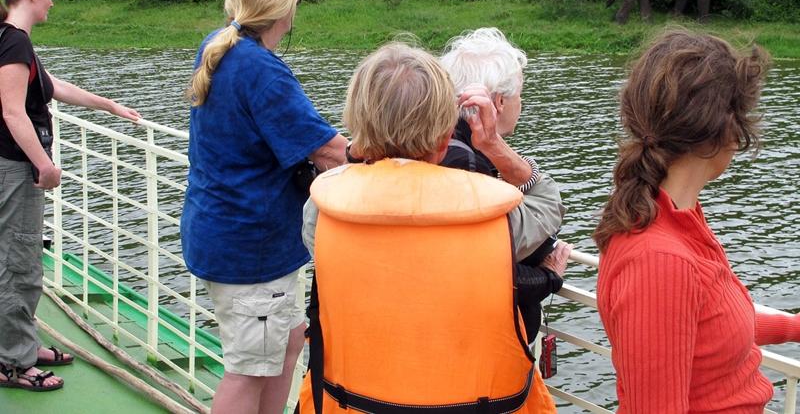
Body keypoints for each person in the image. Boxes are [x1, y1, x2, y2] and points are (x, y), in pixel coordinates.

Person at [298, 42, 558, 413]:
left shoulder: (321, 212)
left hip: (355, 403)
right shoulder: (496, 221)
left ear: (359, 126)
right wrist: (495, 146)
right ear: (443, 139)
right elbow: (548, 204)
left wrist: (358, 156)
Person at [594, 29, 800, 413]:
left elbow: (710, 327)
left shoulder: (675, 216)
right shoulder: (660, 261)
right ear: (724, 128)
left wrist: (793, 327)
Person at [180, 0, 347, 414]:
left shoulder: (221, 44)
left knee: (289, 340)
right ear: (286, 8)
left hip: (226, 231)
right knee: (249, 369)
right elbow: (330, 150)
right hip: (250, 247)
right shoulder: (260, 69)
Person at [0, 0, 140, 392]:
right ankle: (12, 363)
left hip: (18, 169)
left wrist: (110, 105)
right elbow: (11, 111)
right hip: (17, 169)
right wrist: (44, 163)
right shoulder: (13, 44)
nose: (53, 2)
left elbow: (53, 86)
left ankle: (21, 345)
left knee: (22, 258)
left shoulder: (13, 42)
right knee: (16, 263)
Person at [439, 27, 571, 342]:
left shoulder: (434, 144)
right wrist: (548, 278)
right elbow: (489, 263)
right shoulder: (467, 163)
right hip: (477, 347)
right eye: (519, 95)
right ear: (499, 101)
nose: (520, 104)